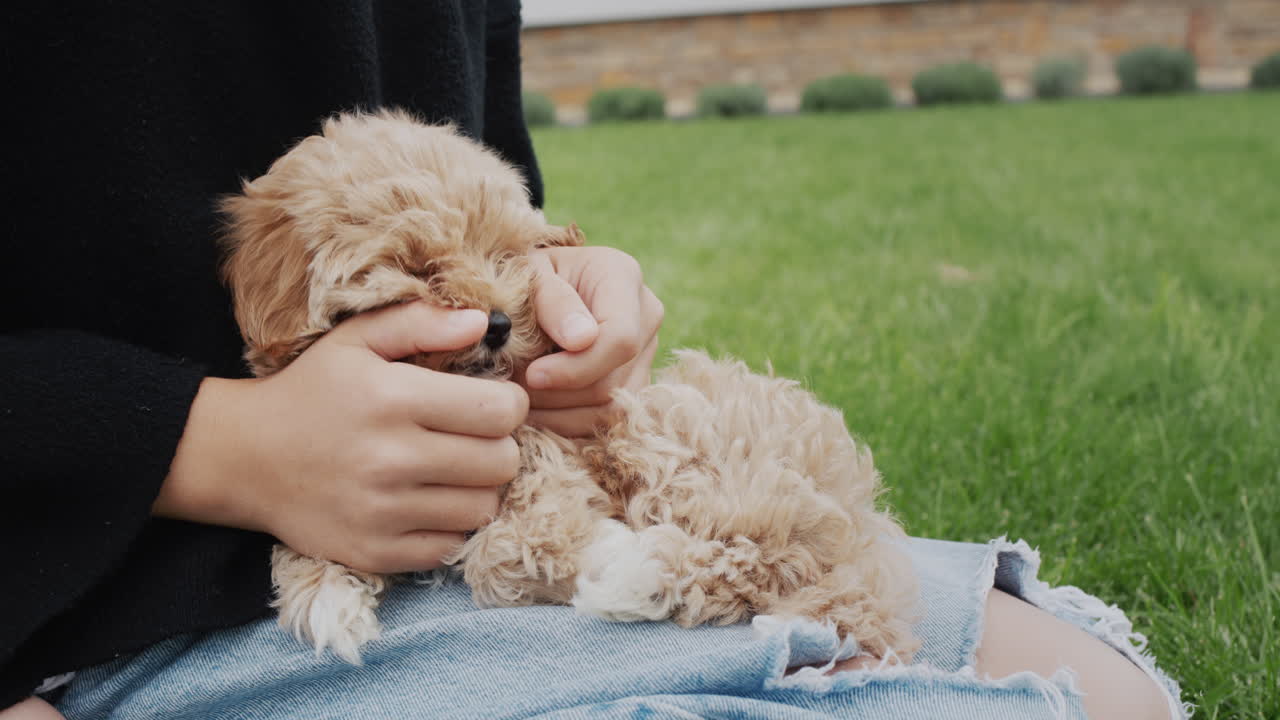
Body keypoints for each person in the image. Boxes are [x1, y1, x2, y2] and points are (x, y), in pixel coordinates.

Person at [2, 3, 1182, 719]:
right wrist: (210, 443)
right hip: (107, 600)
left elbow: (488, 170)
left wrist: (567, 276)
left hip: (498, 505)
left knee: (1114, 694)